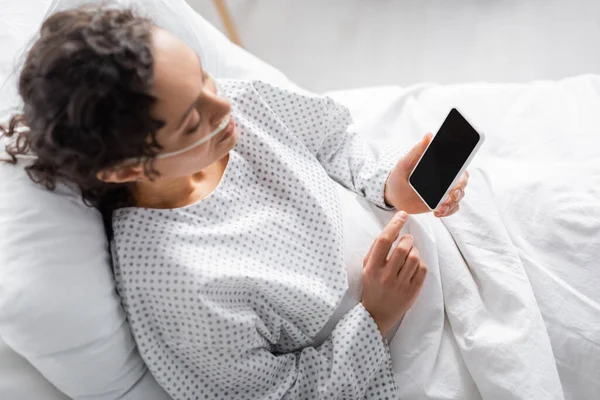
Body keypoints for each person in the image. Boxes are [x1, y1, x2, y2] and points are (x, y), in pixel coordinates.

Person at [1, 4, 469, 399]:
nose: (223, 108)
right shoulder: (176, 287)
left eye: (204, 79)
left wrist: (389, 183)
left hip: (444, 242)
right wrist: (377, 316)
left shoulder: (232, 108)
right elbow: (280, 392)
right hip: (402, 354)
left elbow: (331, 139)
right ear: (127, 169)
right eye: (190, 122)